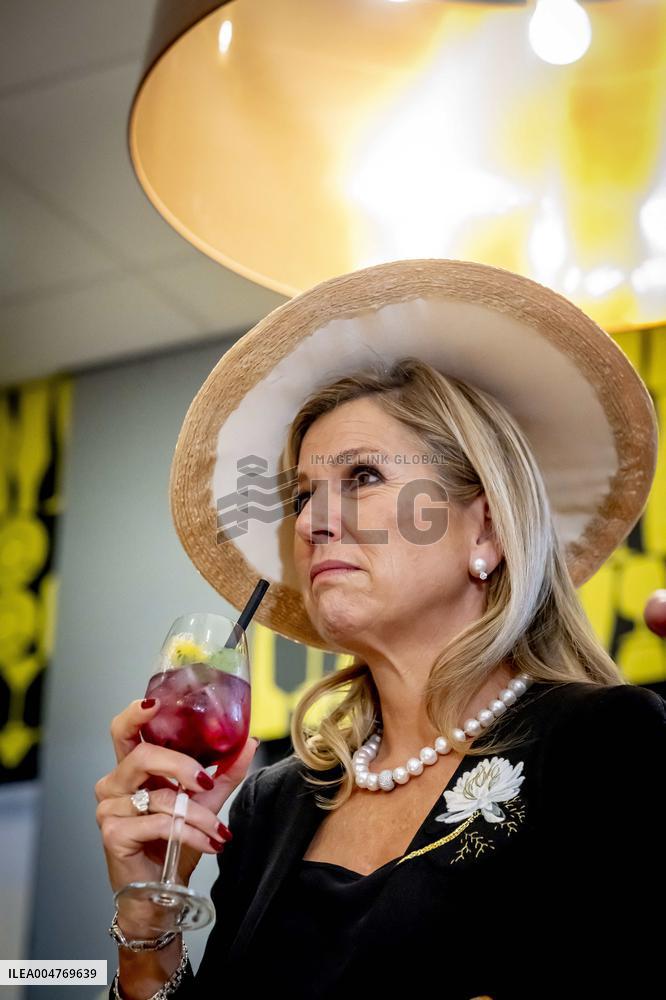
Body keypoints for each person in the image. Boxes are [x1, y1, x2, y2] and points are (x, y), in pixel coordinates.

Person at [96, 259, 665, 999]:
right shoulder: (271, 805)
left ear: (487, 529)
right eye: (302, 496)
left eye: (362, 477)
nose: (312, 522)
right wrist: (148, 923)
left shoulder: (605, 741)